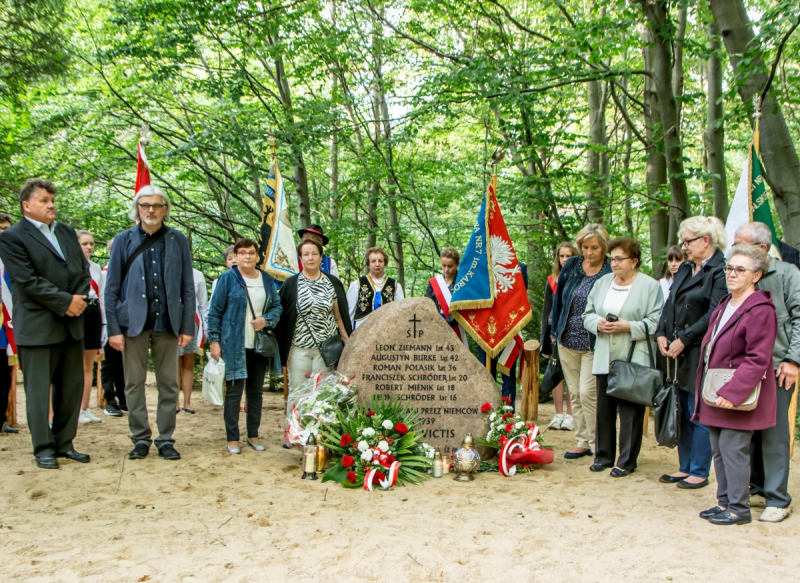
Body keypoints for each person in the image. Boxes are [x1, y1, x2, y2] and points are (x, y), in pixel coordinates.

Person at [0, 179, 91, 469]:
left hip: (72, 322)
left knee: (70, 388)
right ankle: (43, 448)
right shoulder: (12, 237)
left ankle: (65, 442)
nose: (51, 204)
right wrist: (66, 302)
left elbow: (82, 269)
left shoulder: (64, 231)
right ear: (26, 205)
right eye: (43, 200)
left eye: (52, 199)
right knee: (39, 391)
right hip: (38, 325)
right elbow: (27, 281)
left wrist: (78, 299)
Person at [104, 184, 195, 462]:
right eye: (145, 205)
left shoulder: (178, 239)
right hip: (132, 324)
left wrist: (187, 327)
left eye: (157, 205)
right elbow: (112, 288)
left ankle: (165, 438)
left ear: (165, 209)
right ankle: (140, 438)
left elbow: (187, 286)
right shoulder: (123, 240)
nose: (151, 210)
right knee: (134, 384)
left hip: (168, 322)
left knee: (169, 383)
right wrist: (114, 329)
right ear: (138, 209)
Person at [695, 244, 777, 526]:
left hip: (738, 393)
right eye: (729, 268)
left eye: (740, 270)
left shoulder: (760, 309)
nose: (731, 273)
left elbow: (758, 358)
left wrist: (733, 393)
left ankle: (739, 510)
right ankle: (725, 502)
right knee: (719, 448)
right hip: (716, 389)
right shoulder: (725, 304)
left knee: (733, 449)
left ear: (756, 275)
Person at [734, 222, 800, 522]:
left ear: (761, 249)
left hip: (777, 367)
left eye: (741, 244)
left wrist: (793, 360)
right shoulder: (737, 276)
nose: (734, 250)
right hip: (743, 367)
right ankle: (757, 487)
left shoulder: (787, 274)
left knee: (774, 434)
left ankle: (777, 498)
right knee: (749, 430)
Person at [656, 216, 727, 489]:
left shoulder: (720, 270)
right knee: (681, 409)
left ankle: (699, 470)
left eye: (688, 242)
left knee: (697, 410)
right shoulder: (686, 268)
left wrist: (684, 339)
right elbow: (670, 302)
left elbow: (714, 313)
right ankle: (684, 466)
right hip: (676, 352)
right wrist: (661, 333)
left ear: (705, 241)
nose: (683, 248)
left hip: (701, 350)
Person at [583, 237, 663, 477]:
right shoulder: (603, 282)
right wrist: (598, 324)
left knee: (630, 411)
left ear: (634, 261)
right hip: (604, 354)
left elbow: (656, 321)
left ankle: (626, 461)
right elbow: (587, 313)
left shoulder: (650, 286)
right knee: (604, 409)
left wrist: (629, 326)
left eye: (619, 259)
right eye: (612, 259)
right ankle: (603, 456)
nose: (614, 263)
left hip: (633, 356)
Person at [207, 238, 282, 454]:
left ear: (257, 256)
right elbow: (215, 312)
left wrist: (266, 319)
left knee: (256, 393)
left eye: (251, 253)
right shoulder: (227, 279)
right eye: (242, 253)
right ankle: (232, 438)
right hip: (233, 345)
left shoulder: (267, 280)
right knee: (233, 393)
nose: (247, 256)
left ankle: (253, 434)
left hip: (258, 345)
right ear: (236, 256)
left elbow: (277, 307)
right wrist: (214, 341)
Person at [550, 223, 611, 459]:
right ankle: (581, 440)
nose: (588, 252)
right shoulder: (573, 265)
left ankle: (598, 443)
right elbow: (559, 299)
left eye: (594, 247)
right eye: (584, 247)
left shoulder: (609, 270)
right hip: (567, 338)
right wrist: (554, 332)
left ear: (604, 246)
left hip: (593, 341)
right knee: (574, 393)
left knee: (588, 393)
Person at [277, 239, 351, 393]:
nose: (310, 258)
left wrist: (347, 341)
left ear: (321, 257)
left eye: (314, 254)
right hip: (298, 348)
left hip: (325, 349)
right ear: (301, 258)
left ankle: (319, 419)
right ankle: (295, 418)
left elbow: (339, 316)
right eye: (306, 254)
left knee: (322, 393)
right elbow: (282, 319)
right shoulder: (290, 284)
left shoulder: (333, 283)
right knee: (298, 392)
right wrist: (284, 349)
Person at [542, 241, 578, 431]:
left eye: (568, 256)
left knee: (571, 373)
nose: (564, 260)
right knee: (556, 371)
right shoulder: (552, 281)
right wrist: (544, 340)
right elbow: (546, 311)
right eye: (562, 256)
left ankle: (571, 416)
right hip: (554, 331)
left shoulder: (579, 278)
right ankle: (558, 414)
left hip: (573, 330)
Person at [75, 230, 104, 424]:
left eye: (91, 243)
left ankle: (84, 408)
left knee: (88, 365)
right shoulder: (69, 265)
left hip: (93, 312)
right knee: (72, 364)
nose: (89, 247)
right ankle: (72, 409)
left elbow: (101, 296)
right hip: (76, 312)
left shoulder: (96, 268)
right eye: (84, 243)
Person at [346, 246, 404, 329]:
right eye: (373, 261)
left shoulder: (395, 286)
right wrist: (349, 336)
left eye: (380, 261)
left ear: (385, 263)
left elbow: (400, 312)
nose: (377, 264)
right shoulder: (357, 284)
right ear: (368, 263)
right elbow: (350, 312)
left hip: (387, 329)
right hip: (362, 329)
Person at [100, 237, 127, 417]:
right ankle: (110, 400)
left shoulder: (127, 273)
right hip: (107, 323)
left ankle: (124, 400)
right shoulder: (103, 274)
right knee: (108, 364)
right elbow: (103, 301)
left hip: (124, 324)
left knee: (122, 364)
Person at [177, 268, 208, 414]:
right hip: (172, 321)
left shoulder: (197, 274)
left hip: (191, 321)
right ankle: (174, 402)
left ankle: (187, 403)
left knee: (188, 363)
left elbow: (203, 303)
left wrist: (205, 326)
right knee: (174, 363)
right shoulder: (166, 269)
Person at [425, 248, 468, 347]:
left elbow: (462, 310)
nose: (446, 269)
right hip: (435, 327)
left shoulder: (462, 283)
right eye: (443, 265)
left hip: (454, 327)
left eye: (450, 266)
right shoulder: (434, 283)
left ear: (457, 264)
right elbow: (426, 303)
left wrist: (443, 323)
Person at [0, 212, 19, 434]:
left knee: (4, 377)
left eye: (6, 228)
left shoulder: (14, 257)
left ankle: (1, 419)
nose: (3, 232)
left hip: (7, 325)